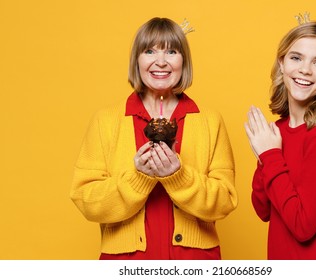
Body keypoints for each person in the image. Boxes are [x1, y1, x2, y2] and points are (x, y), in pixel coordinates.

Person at [70, 17, 237, 260]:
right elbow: (86, 200)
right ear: (137, 60)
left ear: (184, 61)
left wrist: (178, 177)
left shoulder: (210, 121)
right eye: (149, 51)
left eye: (171, 51)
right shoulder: (106, 121)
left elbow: (225, 200)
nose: (161, 62)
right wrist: (138, 178)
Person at [245, 20, 316, 259]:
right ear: (282, 63)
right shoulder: (278, 131)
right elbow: (263, 209)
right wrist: (263, 158)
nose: (305, 70)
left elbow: (303, 226)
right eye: (296, 58)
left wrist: (270, 156)